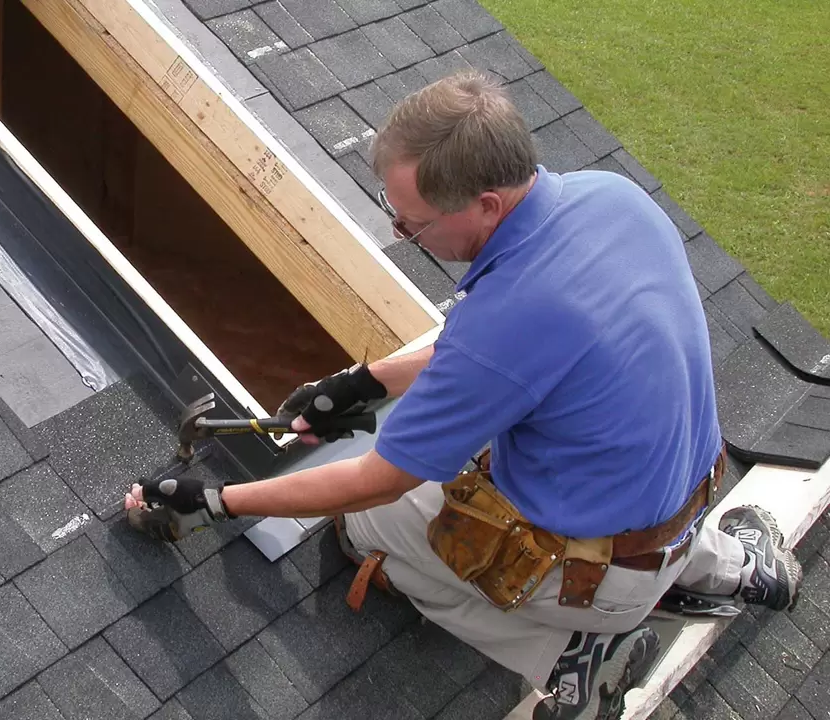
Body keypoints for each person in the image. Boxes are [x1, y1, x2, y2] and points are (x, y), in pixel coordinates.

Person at [124, 70, 803, 720]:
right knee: (582, 453)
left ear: (485, 204)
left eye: (411, 224)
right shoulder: (608, 197)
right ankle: (744, 567)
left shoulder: (506, 322)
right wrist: (365, 382)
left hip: (602, 575)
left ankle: (572, 657)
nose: (403, 235)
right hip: (687, 495)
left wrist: (218, 501)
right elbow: (511, 352)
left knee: (367, 531)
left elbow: (377, 480)